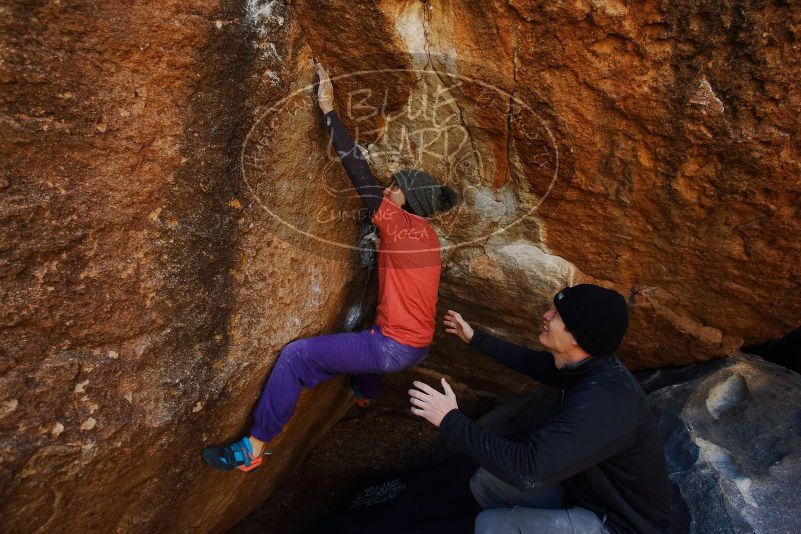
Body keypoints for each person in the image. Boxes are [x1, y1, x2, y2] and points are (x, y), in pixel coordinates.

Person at [202, 63, 457, 472]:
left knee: (297, 357)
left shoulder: (397, 223)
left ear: (406, 199)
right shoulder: (426, 236)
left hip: (392, 347)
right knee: (368, 328)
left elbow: (358, 172)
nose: (386, 189)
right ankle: (365, 389)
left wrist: (327, 111)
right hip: (416, 344)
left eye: (393, 186)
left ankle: (252, 448)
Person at [409, 284, 672, 533]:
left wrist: (449, 420)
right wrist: (475, 338)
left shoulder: (604, 402)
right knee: (485, 484)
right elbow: (532, 362)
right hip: (584, 493)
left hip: (616, 524)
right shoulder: (587, 366)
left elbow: (527, 471)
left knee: (492, 526)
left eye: (557, 315)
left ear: (577, 338)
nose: (546, 315)